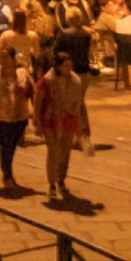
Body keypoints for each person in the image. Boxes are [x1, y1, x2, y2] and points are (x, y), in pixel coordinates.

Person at [0, 36, 34, 193]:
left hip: (20, 117)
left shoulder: (23, 74)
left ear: (13, 58)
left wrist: (34, 113)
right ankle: (7, 176)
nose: (3, 60)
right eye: (1, 57)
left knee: (13, 145)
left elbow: (32, 92)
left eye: (6, 57)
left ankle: (7, 172)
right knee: (5, 145)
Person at [33, 49, 90, 201]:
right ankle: (52, 184)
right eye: (65, 66)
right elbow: (38, 102)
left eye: (70, 65)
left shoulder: (76, 81)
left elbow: (79, 104)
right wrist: (37, 122)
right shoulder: (47, 80)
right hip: (50, 120)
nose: (68, 69)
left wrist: (83, 125)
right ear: (57, 66)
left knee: (65, 152)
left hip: (69, 119)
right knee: (54, 152)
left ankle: (61, 179)